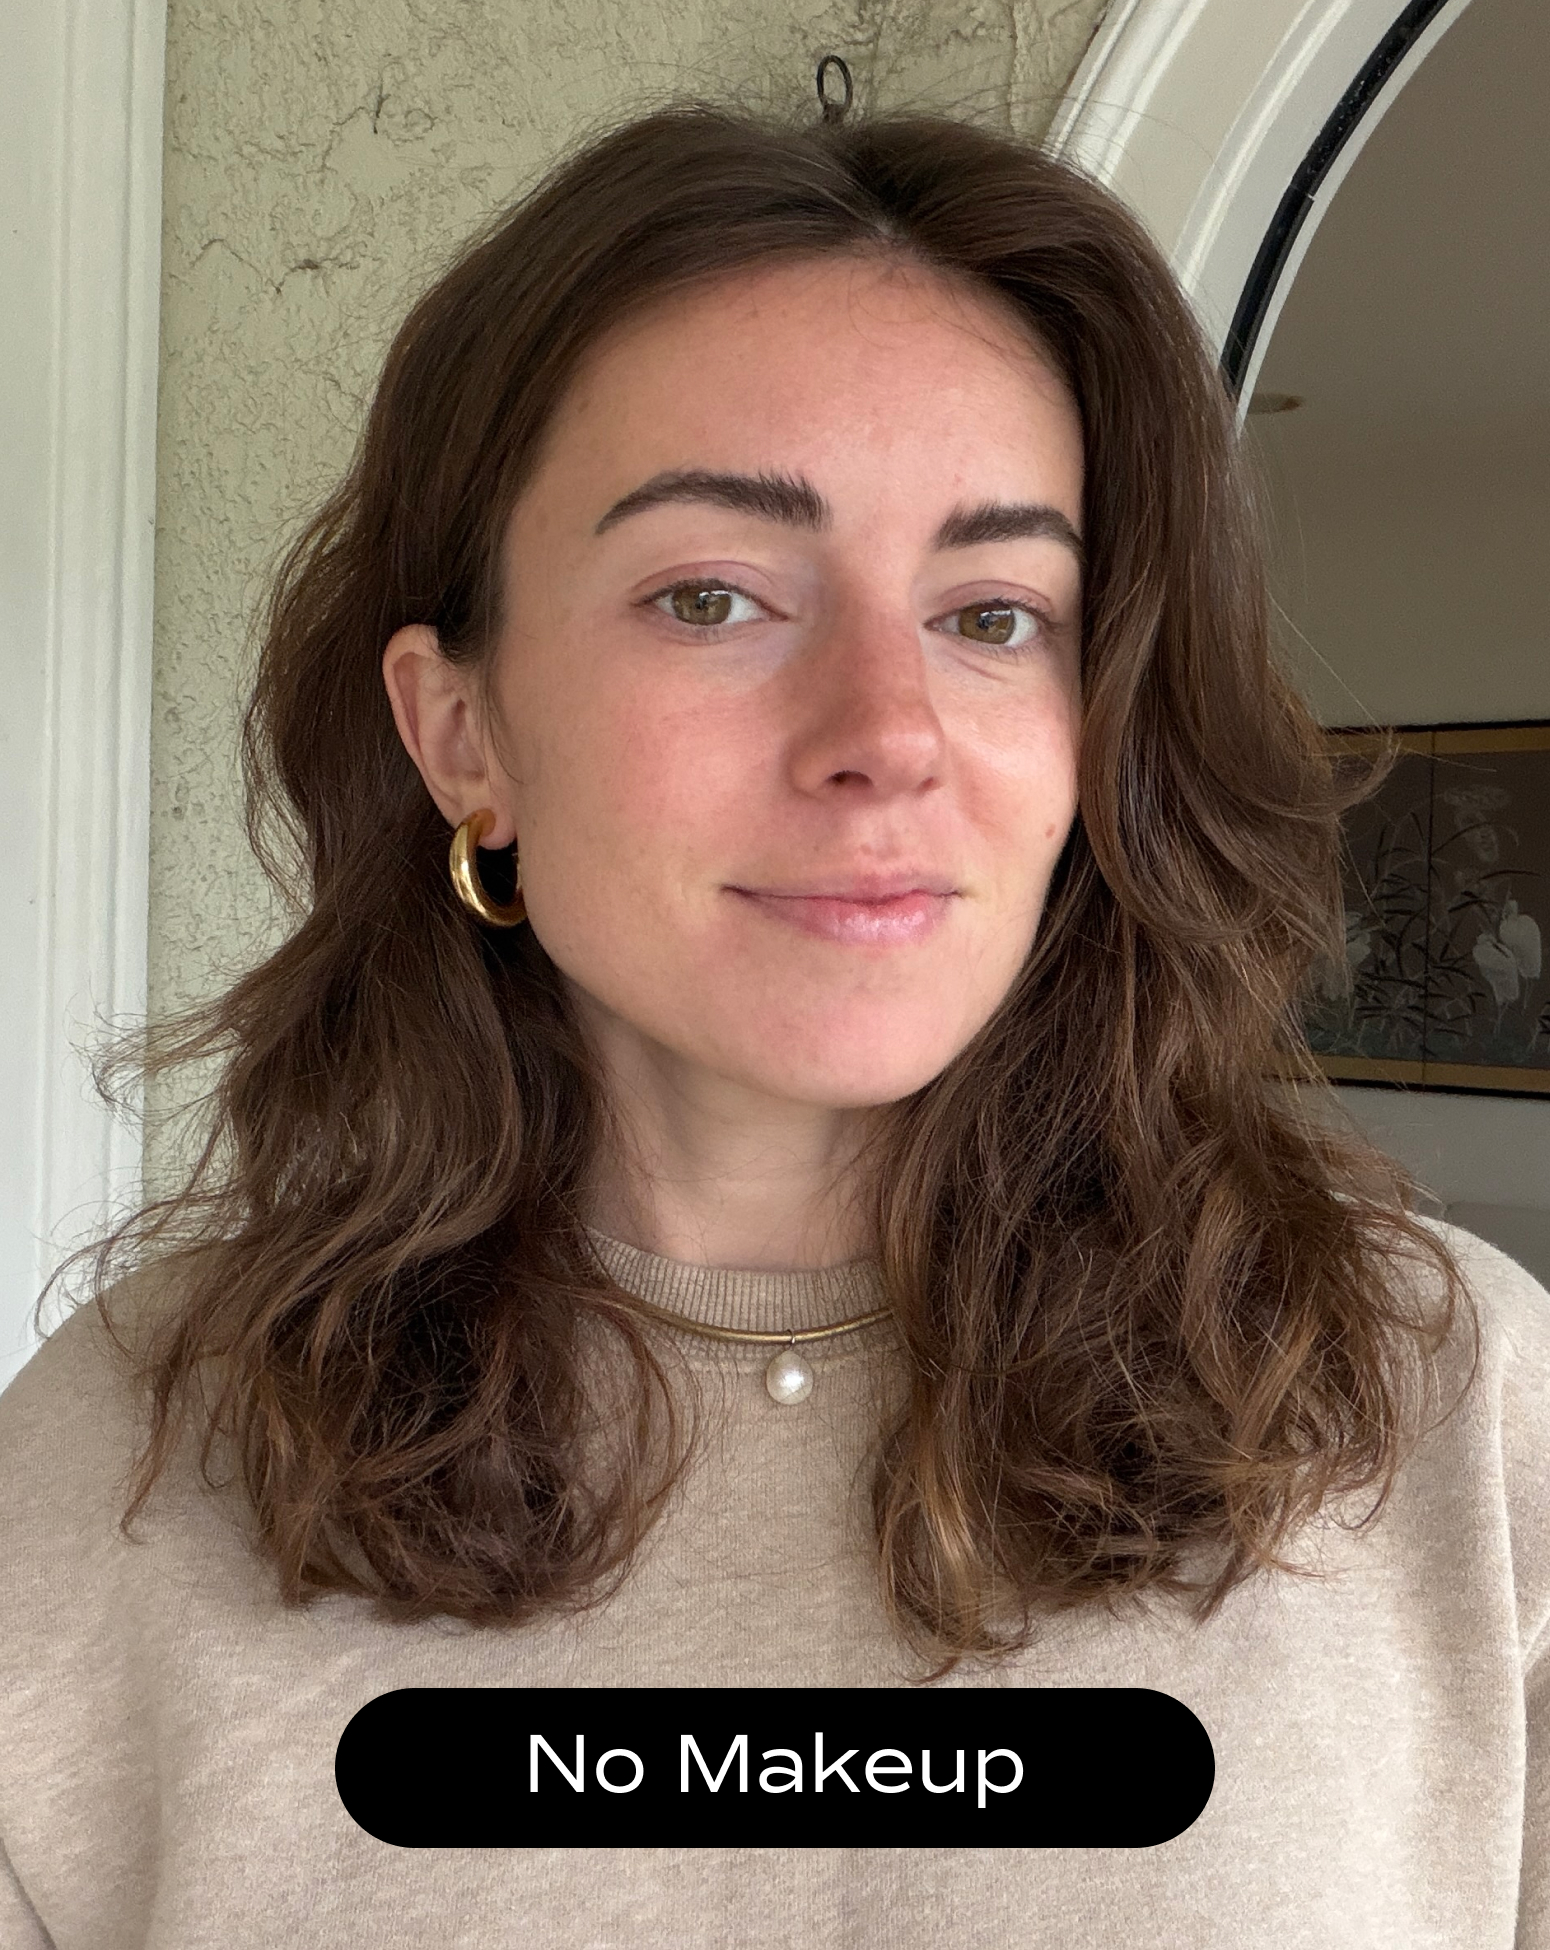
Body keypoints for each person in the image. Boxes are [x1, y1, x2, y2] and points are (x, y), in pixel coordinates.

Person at [1, 82, 1546, 1950]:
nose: (884, 734)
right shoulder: (120, 1460)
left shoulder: (1450, 1413)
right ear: (460, 733)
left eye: (991, 614)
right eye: (715, 594)